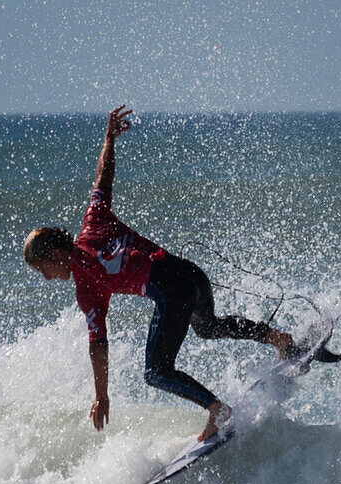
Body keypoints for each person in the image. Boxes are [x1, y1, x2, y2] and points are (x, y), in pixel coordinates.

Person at [24, 105, 296, 442]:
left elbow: (98, 345)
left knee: (155, 372)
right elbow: (102, 179)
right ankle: (278, 339)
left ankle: (218, 410)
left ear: (52, 253)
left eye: (43, 269)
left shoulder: (86, 284)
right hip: (190, 274)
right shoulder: (93, 220)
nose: (47, 278)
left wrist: (102, 395)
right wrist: (108, 139)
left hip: (170, 289)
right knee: (208, 327)